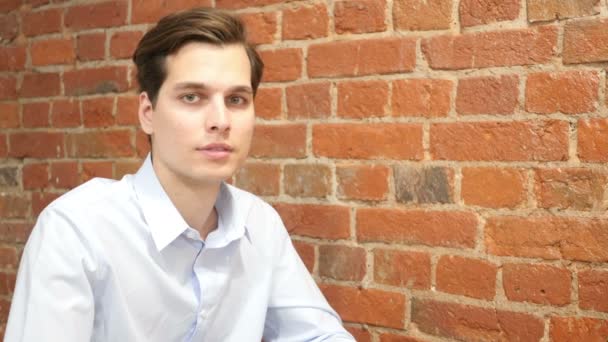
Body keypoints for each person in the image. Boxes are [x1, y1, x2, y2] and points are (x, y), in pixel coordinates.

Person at [5, 8, 354, 342]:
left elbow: (319, 334)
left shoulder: (259, 225)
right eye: (192, 97)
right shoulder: (77, 230)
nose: (220, 120)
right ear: (148, 113)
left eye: (236, 99)